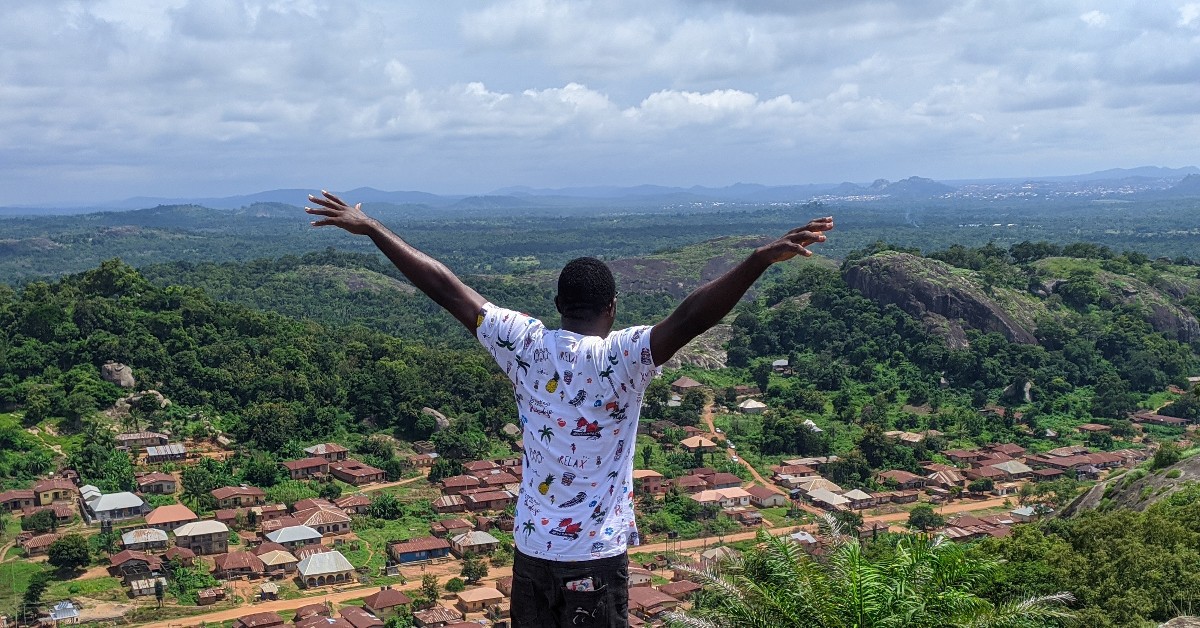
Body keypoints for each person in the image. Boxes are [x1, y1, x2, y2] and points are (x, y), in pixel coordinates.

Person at [305, 190, 833, 627]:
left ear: (558, 306)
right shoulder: (623, 357)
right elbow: (695, 315)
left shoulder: (526, 345)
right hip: (596, 558)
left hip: (533, 552)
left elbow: (445, 287)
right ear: (612, 309)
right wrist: (759, 260)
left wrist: (371, 226)